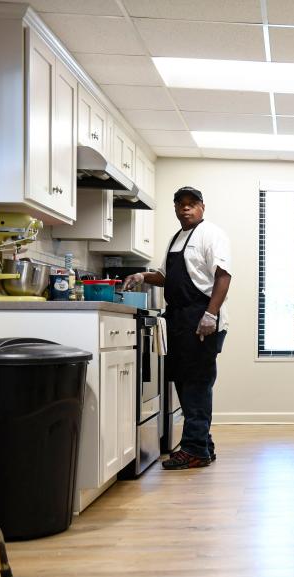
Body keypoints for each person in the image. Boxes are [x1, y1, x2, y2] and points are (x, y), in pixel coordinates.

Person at [123, 186, 232, 469]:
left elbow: (223, 276)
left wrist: (210, 314)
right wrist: (142, 275)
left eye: (191, 203)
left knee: (197, 383)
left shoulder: (212, 234)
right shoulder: (176, 238)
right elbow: (164, 276)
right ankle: (203, 444)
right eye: (180, 204)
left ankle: (194, 449)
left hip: (201, 319)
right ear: (175, 208)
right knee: (184, 381)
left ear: (202, 207)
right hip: (180, 319)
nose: (185, 208)